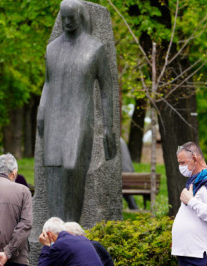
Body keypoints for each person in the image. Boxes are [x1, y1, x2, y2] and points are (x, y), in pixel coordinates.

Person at [37, 0, 117, 223]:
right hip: (54, 117)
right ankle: (54, 230)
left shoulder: (95, 49)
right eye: (64, 18)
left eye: (72, 18)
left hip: (80, 118)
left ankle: (71, 228)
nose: (68, 23)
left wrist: (109, 128)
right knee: (53, 170)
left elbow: (107, 88)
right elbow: (48, 83)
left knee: (72, 166)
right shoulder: (52, 49)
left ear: (81, 17)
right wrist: (41, 111)